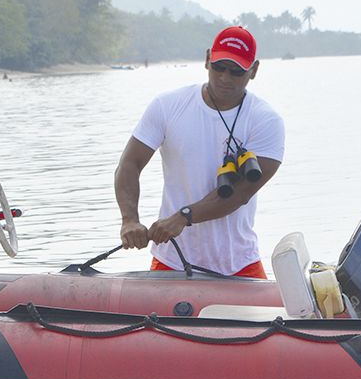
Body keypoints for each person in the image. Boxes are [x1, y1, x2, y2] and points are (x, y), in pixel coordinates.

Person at [114, 25, 285, 278]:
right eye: (219, 67)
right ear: (207, 59)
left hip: (238, 263)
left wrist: (184, 216)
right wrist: (129, 219)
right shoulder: (167, 106)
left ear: (254, 70)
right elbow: (129, 164)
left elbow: (240, 194)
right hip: (172, 259)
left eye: (237, 71)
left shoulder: (266, 121)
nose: (225, 78)